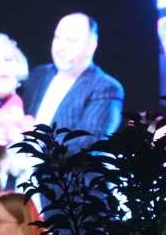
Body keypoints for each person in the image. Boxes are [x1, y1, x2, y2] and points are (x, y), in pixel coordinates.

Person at [21, 13, 124, 155]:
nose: (61, 47)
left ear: (91, 46)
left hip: (62, 168)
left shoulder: (106, 88)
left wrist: (36, 147)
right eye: (57, 37)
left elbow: (87, 143)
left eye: (71, 40)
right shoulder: (39, 74)